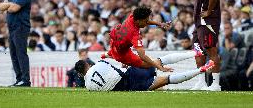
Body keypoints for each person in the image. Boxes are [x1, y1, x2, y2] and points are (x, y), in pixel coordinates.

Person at [75, 51, 215, 91]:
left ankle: (201, 70)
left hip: (131, 87)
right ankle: (195, 53)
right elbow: (120, 66)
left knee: (167, 80)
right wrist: (108, 55)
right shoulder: (99, 63)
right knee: (159, 61)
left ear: (81, 74)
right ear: (87, 63)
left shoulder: (89, 86)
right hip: (132, 74)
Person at [186, 0, 221, 91]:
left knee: (211, 50)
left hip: (208, 21)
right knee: (198, 50)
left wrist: (208, 11)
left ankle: (216, 84)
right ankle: (201, 82)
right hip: (199, 22)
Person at [101, 6, 172, 72]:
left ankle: (109, 54)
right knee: (148, 65)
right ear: (138, 21)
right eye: (145, 21)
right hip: (122, 55)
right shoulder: (134, 34)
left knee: (117, 50)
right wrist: (159, 67)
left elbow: (146, 20)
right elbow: (142, 56)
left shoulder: (132, 16)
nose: (147, 23)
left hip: (115, 42)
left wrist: (160, 24)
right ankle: (117, 59)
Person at [0, 0, 31, 87]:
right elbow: (0, 7)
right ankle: (19, 79)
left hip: (21, 27)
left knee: (21, 53)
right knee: (13, 54)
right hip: (12, 28)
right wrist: (9, 5)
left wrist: (9, 5)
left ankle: (25, 80)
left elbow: (14, 9)